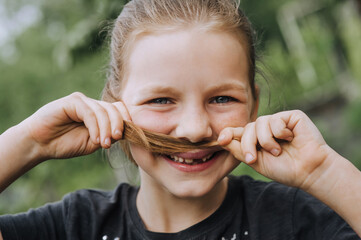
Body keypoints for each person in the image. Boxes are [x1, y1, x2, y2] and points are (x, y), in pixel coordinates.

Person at [0, 0, 360, 239]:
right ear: (112, 107)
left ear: (253, 106)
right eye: (160, 100)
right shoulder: (75, 228)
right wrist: (31, 143)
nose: (194, 129)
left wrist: (322, 172)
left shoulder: (295, 221)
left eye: (222, 98)